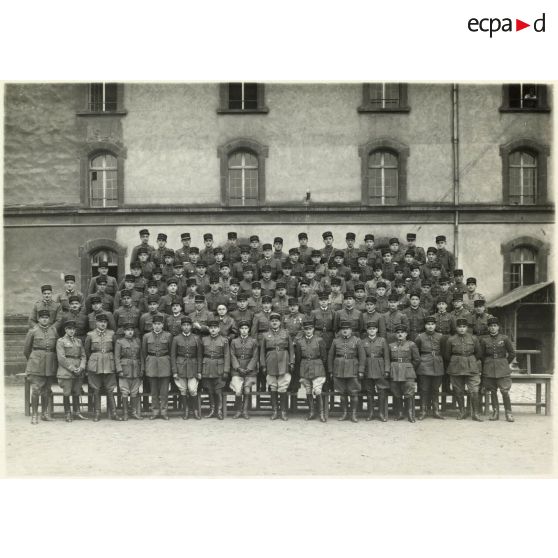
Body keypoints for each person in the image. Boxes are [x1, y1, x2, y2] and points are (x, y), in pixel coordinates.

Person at [444, 318, 484, 421]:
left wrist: (470, 360)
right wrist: (457, 360)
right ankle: (462, 411)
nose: (462, 329)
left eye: (464, 327)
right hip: (456, 366)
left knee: (474, 390)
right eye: (459, 327)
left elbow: (479, 353)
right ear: (456, 328)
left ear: (467, 328)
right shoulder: (451, 339)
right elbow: (447, 355)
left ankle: (475, 413)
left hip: (471, 366)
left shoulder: (473, 338)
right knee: (458, 390)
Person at [24, 309, 59, 424]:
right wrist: (34, 360)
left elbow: (56, 347)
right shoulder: (33, 331)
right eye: (42, 317)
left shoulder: (53, 330)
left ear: (49, 319)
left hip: (50, 363)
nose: (44, 319)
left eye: (47, 317)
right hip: (36, 364)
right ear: (38, 319)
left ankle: (44, 414)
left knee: (47, 390)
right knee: (36, 390)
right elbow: (26, 350)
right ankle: (34, 415)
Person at [84, 313, 121, 422]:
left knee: (110, 389)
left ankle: (114, 413)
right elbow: (87, 351)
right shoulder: (90, 335)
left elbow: (116, 350)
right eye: (100, 322)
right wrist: (90, 363)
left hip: (109, 363)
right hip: (95, 364)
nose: (103, 324)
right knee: (96, 390)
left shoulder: (112, 334)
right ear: (96, 323)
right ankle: (97, 413)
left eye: (105, 322)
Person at [328, 320, 365, 422]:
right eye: (343, 329)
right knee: (342, 393)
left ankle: (353, 414)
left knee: (354, 392)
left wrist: (361, 370)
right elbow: (331, 356)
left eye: (347, 329)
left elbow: (362, 356)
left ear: (351, 330)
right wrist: (331, 370)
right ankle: (344, 413)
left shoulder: (357, 340)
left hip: (353, 368)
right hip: (339, 369)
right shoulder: (336, 341)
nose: (345, 331)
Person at [480, 317, 516, 422]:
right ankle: (495, 412)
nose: (493, 328)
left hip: (502, 368)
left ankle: (508, 413)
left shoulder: (504, 338)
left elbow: (512, 353)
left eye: (495, 326)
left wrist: (504, 363)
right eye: (491, 326)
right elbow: (481, 355)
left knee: (504, 391)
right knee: (492, 391)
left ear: (498, 327)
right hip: (489, 368)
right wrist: (487, 363)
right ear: (488, 327)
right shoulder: (484, 340)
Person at [260, 313, 295, 421]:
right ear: (270, 323)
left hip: (284, 360)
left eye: (276, 321)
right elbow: (262, 352)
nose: (274, 323)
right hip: (270, 361)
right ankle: (275, 411)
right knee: (273, 386)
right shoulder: (265, 335)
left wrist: (292, 362)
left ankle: (283, 411)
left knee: (283, 386)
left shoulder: (286, 333)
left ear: (280, 322)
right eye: (272, 321)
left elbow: (291, 349)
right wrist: (263, 365)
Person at [295, 319, 328, 422]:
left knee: (317, 390)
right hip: (305, 367)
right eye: (306, 329)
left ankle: (321, 413)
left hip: (317, 366)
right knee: (308, 390)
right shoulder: (300, 342)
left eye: (310, 329)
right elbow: (298, 358)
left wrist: (321, 366)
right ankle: (311, 412)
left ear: (313, 329)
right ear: (303, 330)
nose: (308, 331)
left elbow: (324, 357)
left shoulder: (319, 340)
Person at [171, 316, 203, 420]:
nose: (186, 327)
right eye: (184, 325)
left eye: (188, 325)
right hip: (180, 366)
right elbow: (173, 356)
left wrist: (199, 371)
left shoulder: (196, 338)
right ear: (181, 326)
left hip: (193, 367)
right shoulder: (176, 339)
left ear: (191, 326)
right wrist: (174, 371)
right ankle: (186, 411)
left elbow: (199, 356)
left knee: (193, 389)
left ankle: (195, 411)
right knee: (183, 390)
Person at [142, 314, 173, 420]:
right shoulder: (146, 336)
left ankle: (164, 411)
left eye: (159, 324)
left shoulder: (168, 336)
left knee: (164, 392)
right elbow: (144, 353)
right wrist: (145, 366)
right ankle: (155, 411)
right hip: (151, 363)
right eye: (155, 324)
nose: (157, 326)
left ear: (163, 325)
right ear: (152, 325)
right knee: (154, 391)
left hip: (165, 364)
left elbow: (171, 352)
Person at [414, 316, 445, 420]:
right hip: (424, 365)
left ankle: (436, 411)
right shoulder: (420, 337)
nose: (430, 326)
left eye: (432, 324)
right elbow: (416, 352)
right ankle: (423, 410)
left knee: (435, 389)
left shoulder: (441, 336)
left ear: (435, 325)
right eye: (428, 324)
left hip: (437, 364)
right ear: (425, 325)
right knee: (424, 389)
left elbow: (444, 352)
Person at [388, 324, 420, 423]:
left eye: (402, 332)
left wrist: (409, 367)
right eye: (398, 333)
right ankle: (399, 413)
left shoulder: (411, 344)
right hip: (395, 371)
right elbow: (388, 359)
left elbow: (417, 359)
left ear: (406, 334)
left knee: (409, 392)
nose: (400, 334)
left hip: (407, 371)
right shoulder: (391, 345)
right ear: (395, 334)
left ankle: (410, 414)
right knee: (396, 392)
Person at [55, 320, 87, 422]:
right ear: (65, 330)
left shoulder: (78, 341)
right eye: (69, 329)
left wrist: (81, 368)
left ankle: (77, 412)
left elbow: (83, 356)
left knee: (77, 391)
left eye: (73, 329)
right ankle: (67, 413)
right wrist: (73, 369)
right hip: (66, 371)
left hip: (78, 370)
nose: (71, 331)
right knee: (67, 392)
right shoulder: (61, 341)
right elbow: (61, 358)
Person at [201, 319, 231, 420]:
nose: (213, 330)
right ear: (208, 329)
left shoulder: (224, 340)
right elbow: (200, 356)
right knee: (210, 390)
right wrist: (200, 370)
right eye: (211, 328)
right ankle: (212, 409)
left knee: (218, 391)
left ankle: (219, 410)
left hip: (219, 368)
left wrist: (226, 370)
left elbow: (227, 356)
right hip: (207, 367)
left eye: (215, 328)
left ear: (219, 329)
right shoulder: (204, 340)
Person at [361, 321, 390, 422]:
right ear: (367, 330)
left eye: (373, 329)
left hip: (380, 366)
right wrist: (362, 370)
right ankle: (370, 413)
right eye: (370, 329)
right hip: (368, 367)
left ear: (377, 330)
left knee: (382, 390)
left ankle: (381, 413)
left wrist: (387, 369)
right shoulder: (363, 341)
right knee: (369, 391)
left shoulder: (382, 340)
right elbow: (361, 357)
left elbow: (386, 356)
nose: (372, 331)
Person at [230, 320, 259, 419]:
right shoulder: (234, 341)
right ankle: (238, 411)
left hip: (249, 371)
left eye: (246, 328)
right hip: (237, 370)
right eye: (242, 328)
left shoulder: (253, 341)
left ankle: (245, 411)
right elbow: (232, 355)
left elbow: (255, 356)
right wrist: (238, 368)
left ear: (249, 330)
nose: (244, 330)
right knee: (238, 391)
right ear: (239, 330)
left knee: (247, 390)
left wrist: (249, 368)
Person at [114, 323, 143, 420]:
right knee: (125, 391)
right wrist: (119, 370)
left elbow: (141, 356)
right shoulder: (120, 342)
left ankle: (133, 412)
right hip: (124, 369)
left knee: (135, 391)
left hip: (136, 369)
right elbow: (117, 357)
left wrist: (142, 369)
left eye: (132, 330)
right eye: (128, 330)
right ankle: (125, 413)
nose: (130, 332)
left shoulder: (137, 341)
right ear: (124, 331)